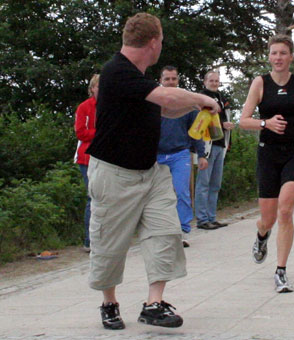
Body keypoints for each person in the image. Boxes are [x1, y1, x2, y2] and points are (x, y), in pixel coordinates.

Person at [85, 13, 220, 331]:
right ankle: (109, 303)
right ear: (154, 42)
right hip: (114, 174)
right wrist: (202, 97)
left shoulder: (140, 78)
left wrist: (196, 108)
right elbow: (166, 96)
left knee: (166, 232)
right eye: (162, 40)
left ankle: (153, 304)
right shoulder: (116, 71)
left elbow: (167, 106)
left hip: (150, 172)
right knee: (110, 243)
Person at [239, 34, 294, 293]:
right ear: (269, 56)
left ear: (291, 56)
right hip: (268, 153)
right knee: (268, 218)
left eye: (283, 53)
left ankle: (281, 272)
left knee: (285, 211)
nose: (278, 58)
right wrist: (266, 123)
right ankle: (262, 236)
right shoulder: (260, 83)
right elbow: (243, 120)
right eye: (274, 53)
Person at [157, 65, 208, 247]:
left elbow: (196, 131)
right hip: (157, 156)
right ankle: (161, 232)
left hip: (180, 154)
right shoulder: (154, 102)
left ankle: (183, 230)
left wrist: (201, 155)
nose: (170, 82)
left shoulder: (187, 103)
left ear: (178, 80)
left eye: (174, 79)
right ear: (160, 81)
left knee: (182, 193)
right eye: (167, 79)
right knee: (158, 197)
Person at [194, 70, 235, 230]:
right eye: (211, 81)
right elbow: (200, 120)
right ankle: (202, 219)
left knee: (215, 184)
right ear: (205, 82)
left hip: (220, 144)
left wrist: (227, 128)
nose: (214, 83)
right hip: (206, 145)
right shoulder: (200, 98)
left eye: (217, 81)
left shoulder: (223, 99)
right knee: (203, 183)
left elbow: (225, 118)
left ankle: (211, 217)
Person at [74, 74, 99, 253]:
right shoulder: (84, 107)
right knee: (93, 198)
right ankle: (89, 240)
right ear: (92, 89)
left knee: (110, 198)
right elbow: (81, 132)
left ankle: (107, 238)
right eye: (99, 86)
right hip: (87, 158)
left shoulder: (113, 105)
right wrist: (102, 132)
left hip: (109, 157)